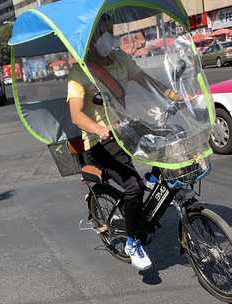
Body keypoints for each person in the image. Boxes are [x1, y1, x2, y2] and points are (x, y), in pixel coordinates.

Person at [67, 13, 178, 271]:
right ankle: (133, 241)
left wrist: (171, 93)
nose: (109, 35)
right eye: (102, 32)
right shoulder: (79, 73)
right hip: (99, 141)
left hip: (125, 128)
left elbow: (145, 81)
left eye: (110, 29)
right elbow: (76, 114)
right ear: (90, 40)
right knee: (133, 187)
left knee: (167, 142)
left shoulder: (120, 59)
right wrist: (98, 128)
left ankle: (151, 191)